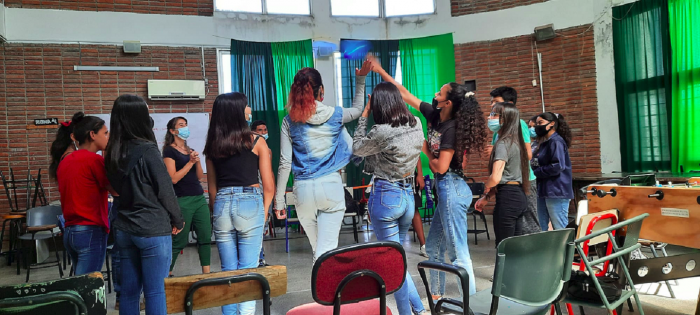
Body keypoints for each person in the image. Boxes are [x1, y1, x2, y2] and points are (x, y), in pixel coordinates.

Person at [370, 56, 488, 298]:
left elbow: (441, 167)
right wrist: (380, 70)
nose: (435, 93)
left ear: (448, 103)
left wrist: (422, 145)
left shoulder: (451, 128)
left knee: (458, 254)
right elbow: (403, 93)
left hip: (453, 188)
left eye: (440, 92)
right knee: (433, 248)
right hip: (445, 190)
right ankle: (437, 298)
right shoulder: (434, 114)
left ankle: (473, 304)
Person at [274, 62, 370, 261]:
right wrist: (360, 80)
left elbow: (284, 163)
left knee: (318, 250)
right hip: (330, 187)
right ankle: (328, 291)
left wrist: (279, 200)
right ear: (321, 91)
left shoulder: (288, 120)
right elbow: (358, 109)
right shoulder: (335, 115)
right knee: (325, 253)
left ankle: (328, 291)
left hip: (302, 191)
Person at [352, 82, 428, 315]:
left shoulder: (381, 131)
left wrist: (363, 116)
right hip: (407, 198)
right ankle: (419, 309)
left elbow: (357, 148)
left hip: (386, 197)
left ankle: (409, 312)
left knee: (393, 264)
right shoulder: (416, 123)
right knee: (398, 260)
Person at [105, 95, 184, 315]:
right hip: (152, 229)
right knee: (155, 292)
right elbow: (165, 190)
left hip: (124, 228)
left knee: (129, 292)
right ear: (140, 118)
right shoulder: (148, 150)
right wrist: (178, 219)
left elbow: (114, 189)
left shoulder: (112, 152)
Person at [204, 92, 275, 315]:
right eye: (246, 106)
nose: (249, 109)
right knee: (248, 273)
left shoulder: (213, 145)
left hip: (222, 205)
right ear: (237, 111)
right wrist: (263, 215)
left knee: (228, 273)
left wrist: (217, 213)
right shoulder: (257, 141)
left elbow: (212, 190)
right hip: (249, 202)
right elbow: (269, 186)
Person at [56, 112, 113, 275]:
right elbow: (115, 189)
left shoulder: (65, 160)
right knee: (86, 287)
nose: (108, 137)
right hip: (90, 230)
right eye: (105, 133)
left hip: (70, 231)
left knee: (79, 282)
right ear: (93, 135)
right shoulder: (94, 160)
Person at [475, 103, 531, 245]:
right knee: (514, 247)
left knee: (504, 247)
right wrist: (487, 197)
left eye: (494, 114)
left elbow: (496, 177)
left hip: (508, 198)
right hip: (519, 195)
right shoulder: (517, 142)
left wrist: (486, 186)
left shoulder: (503, 143)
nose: (489, 117)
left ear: (505, 119)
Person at [162, 117, 211, 276]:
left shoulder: (189, 149)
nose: (185, 128)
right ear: (172, 131)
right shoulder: (169, 150)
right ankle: (167, 273)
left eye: (186, 125)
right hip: (182, 199)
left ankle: (207, 273)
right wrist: (189, 162)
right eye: (181, 125)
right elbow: (173, 178)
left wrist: (196, 161)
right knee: (180, 239)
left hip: (198, 197)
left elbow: (199, 177)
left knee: (205, 235)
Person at [488, 86, 540, 235]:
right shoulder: (498, 132)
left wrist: (501, 153)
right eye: (491, 103)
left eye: (496, 102)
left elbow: (527, 154)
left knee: (529, 224)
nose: (492, 106)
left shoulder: (519, 124)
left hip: (523, 180)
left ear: (509, 104)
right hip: (506, 182)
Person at [532, 112, 573, 231]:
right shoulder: (545, 142)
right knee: (541, 225)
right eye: (536, 124)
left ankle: (566, 249)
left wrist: (536, 172)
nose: (536, 127)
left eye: (540, 123)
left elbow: (557, 166)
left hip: (556, 190)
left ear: (552, 124)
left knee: (559, 225)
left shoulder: (556, 142)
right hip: (544, 189)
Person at [251, 119, 272, 267]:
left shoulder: (268, 150)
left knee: (263, 226)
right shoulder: (252, 147)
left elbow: (269, 173)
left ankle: (259, 254)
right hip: (254, 191)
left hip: (266, 191)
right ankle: (257, 257)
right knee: (255, 226)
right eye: (260, 130)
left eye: (265, 130)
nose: (263, 133)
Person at [413, 160, 428, 257]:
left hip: (409, 175)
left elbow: (417, 154)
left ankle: (423, 245)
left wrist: (419, 174)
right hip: (388, 176)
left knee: (414, 209)